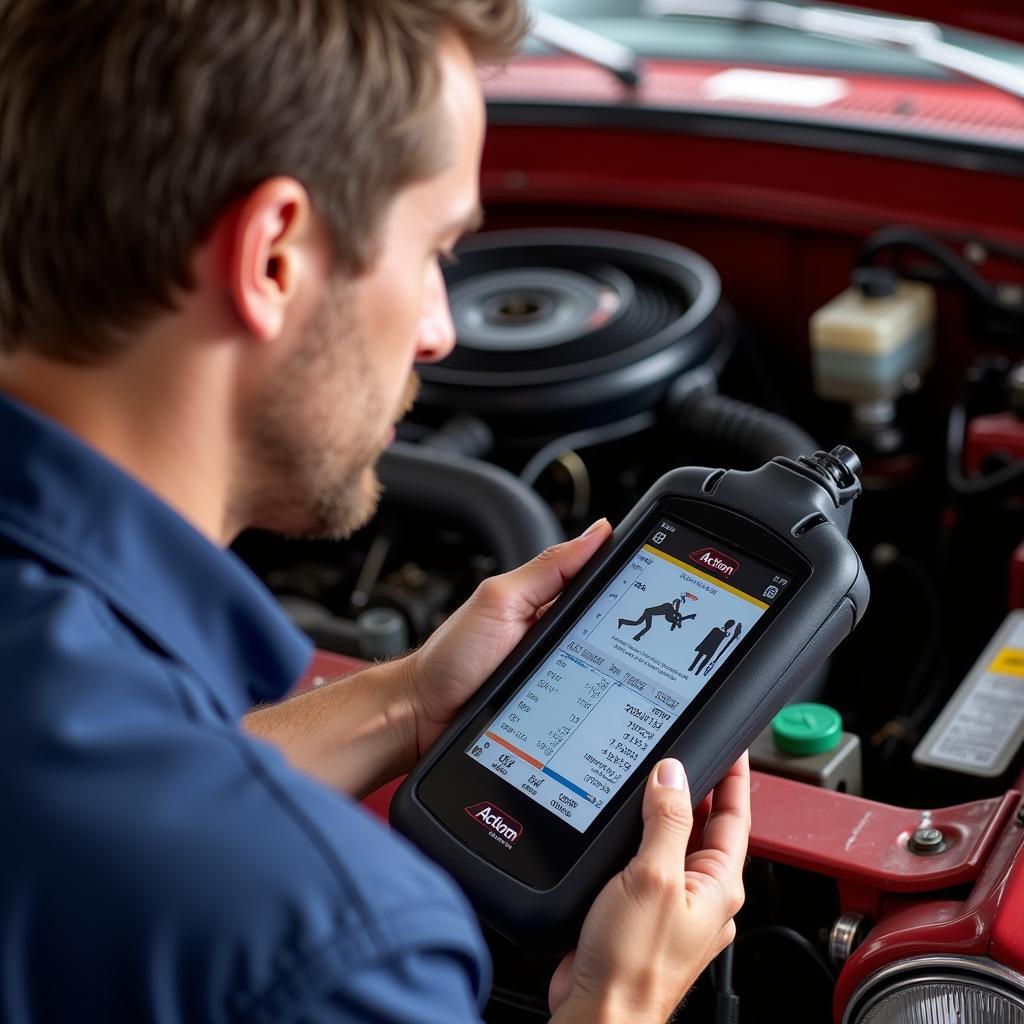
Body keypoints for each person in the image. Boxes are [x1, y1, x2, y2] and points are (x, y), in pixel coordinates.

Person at [0, 2, 750, 1022]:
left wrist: (405, 701)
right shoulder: (336, 943)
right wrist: (617, 1000)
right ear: (273, 256)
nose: (440, 330)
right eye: (435, 249)